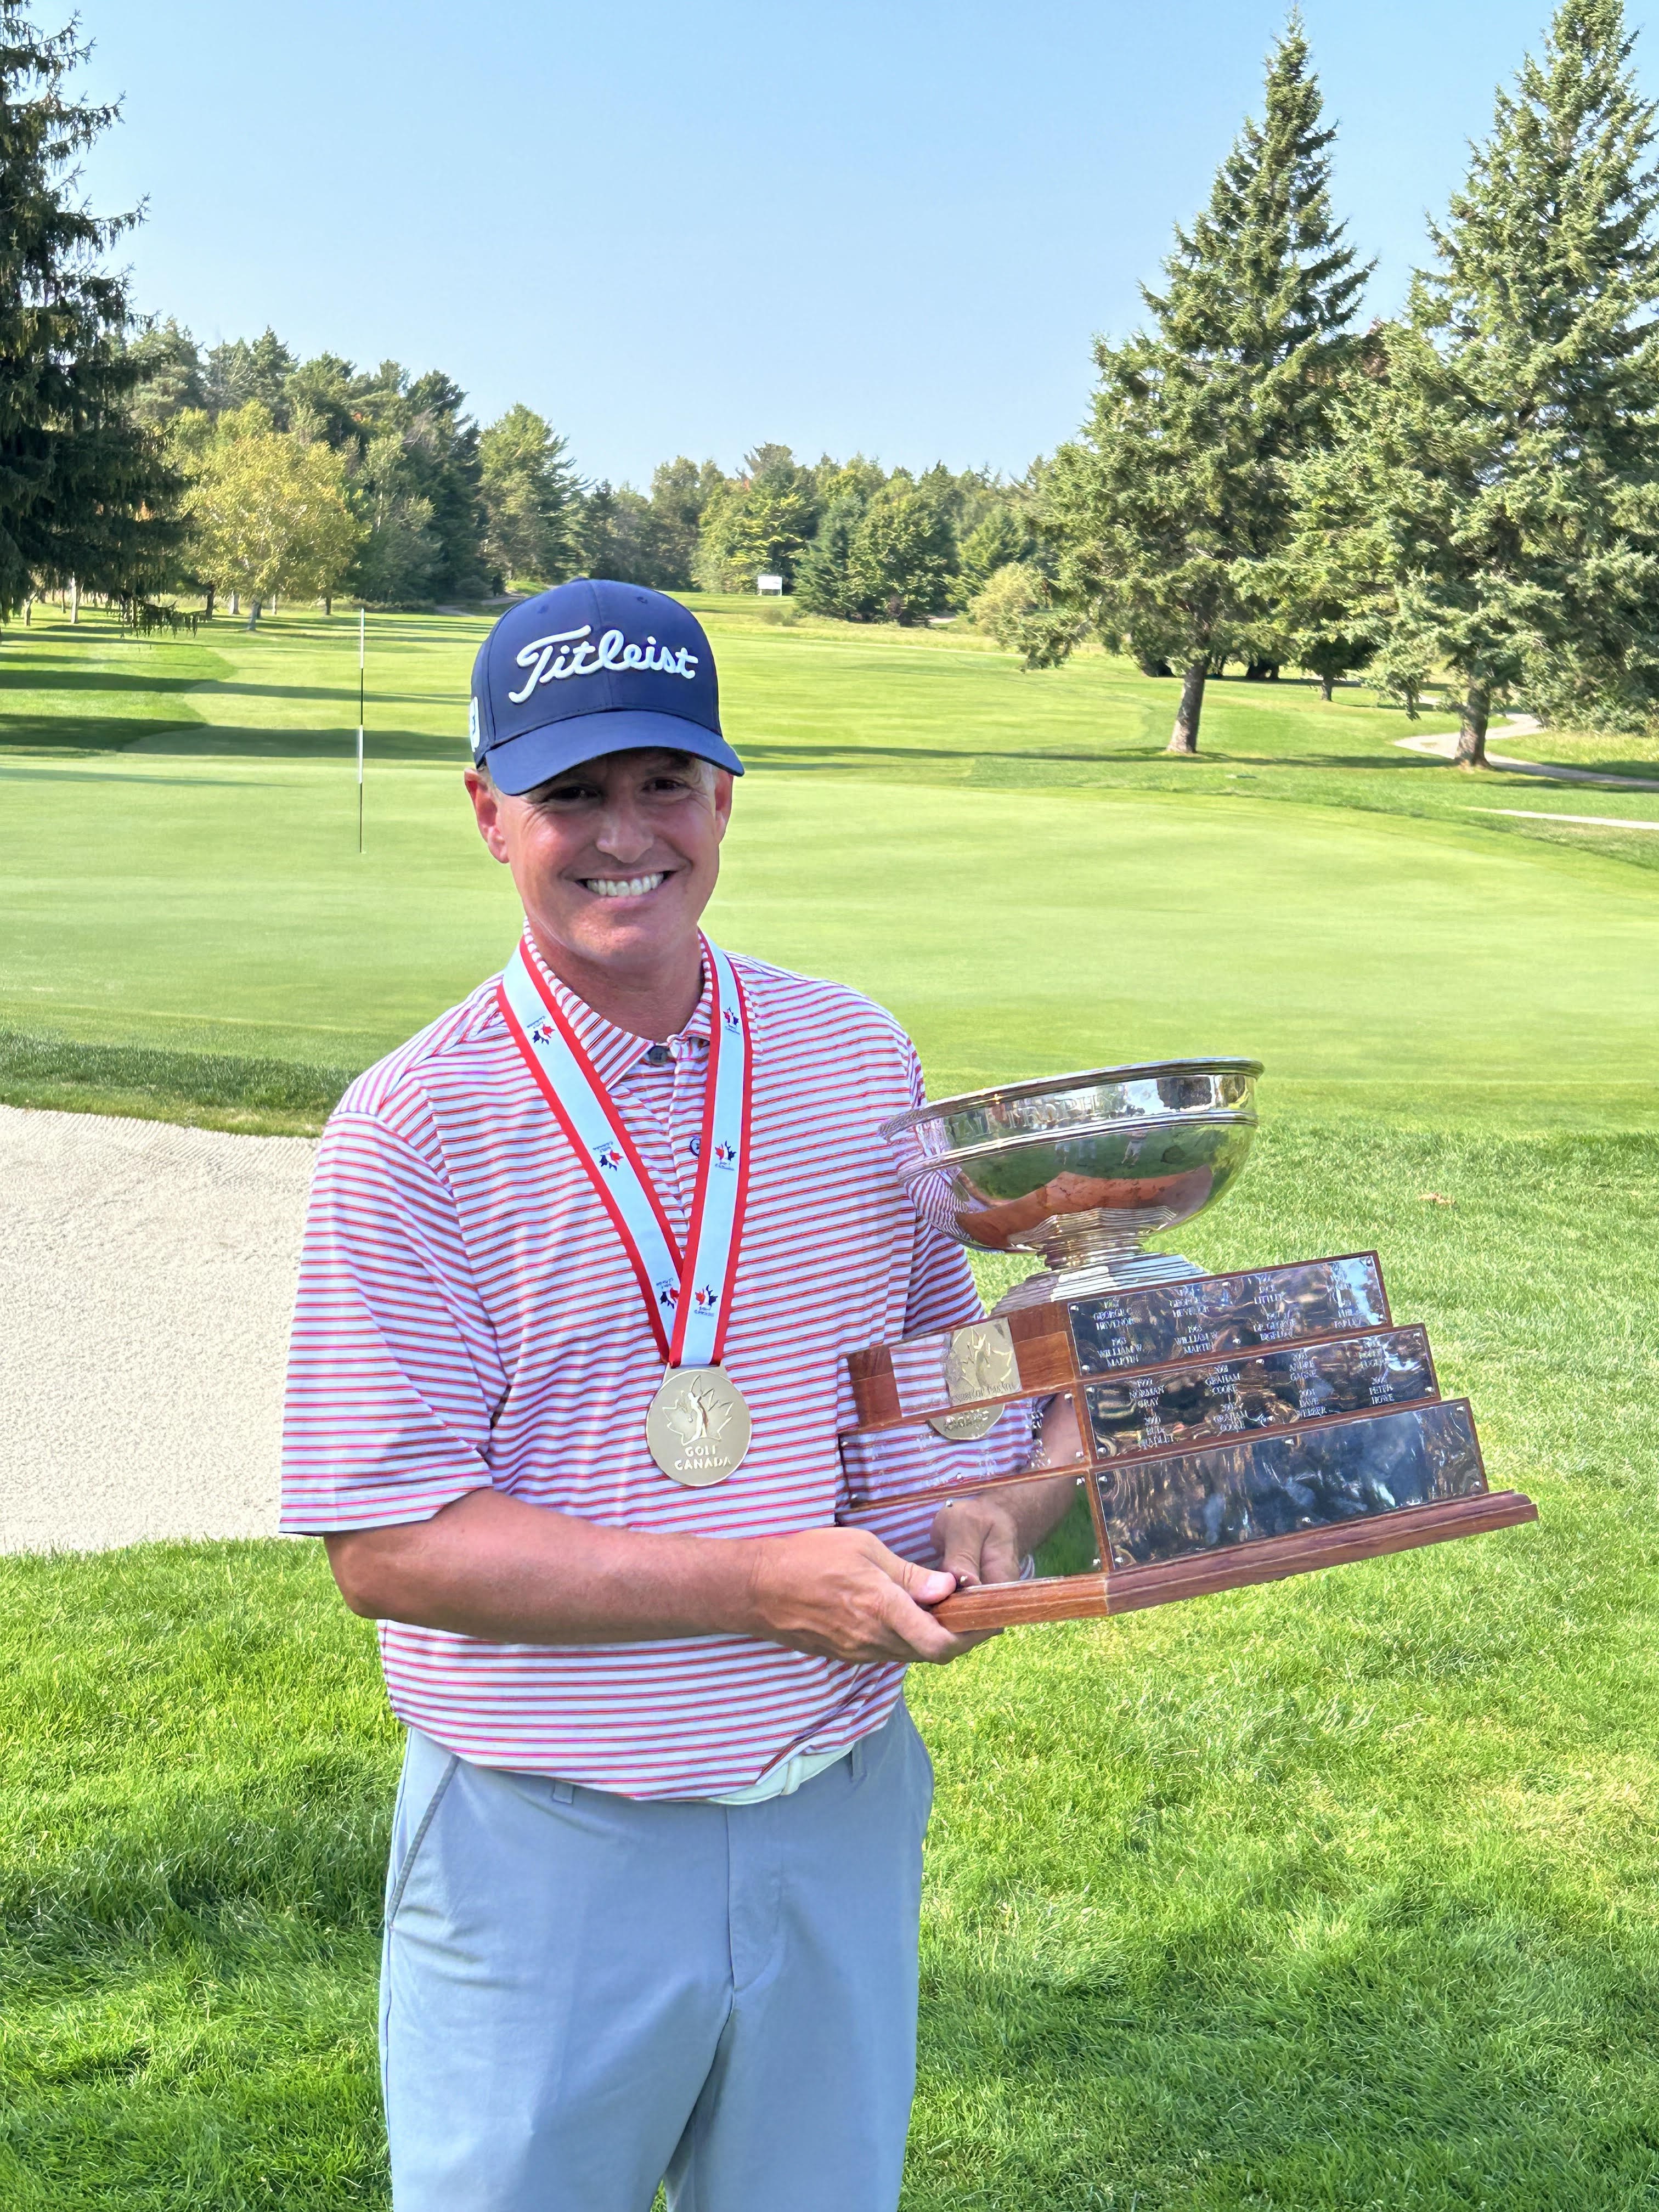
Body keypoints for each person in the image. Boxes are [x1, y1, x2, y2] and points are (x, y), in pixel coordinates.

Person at [280, 578, 1040, 2212]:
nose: (627, 833)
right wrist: (760, 1584)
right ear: (491, 814)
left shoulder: (854, 1056)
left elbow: (922, 1377)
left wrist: (1024, 1452)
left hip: (836, 1808)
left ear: (724, 797)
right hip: (552, 1850)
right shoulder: (412, 1131)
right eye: (571, 793)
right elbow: (392, 1550)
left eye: (664, 784)